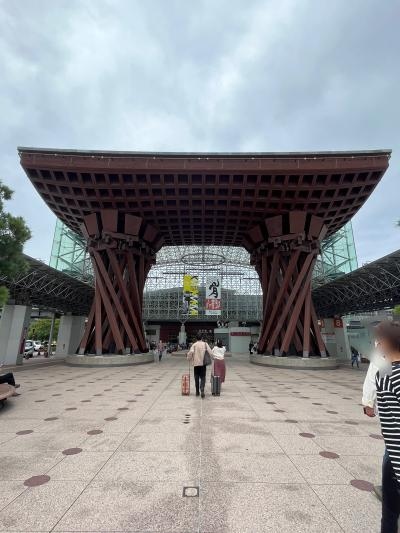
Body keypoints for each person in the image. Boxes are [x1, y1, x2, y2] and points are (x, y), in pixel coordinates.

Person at [374, 320, 400, 532]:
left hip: (396, 457)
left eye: (379, 341)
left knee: (390, 513)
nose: (377, 345)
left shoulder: (386, 375)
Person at [187, 333, 213, 398]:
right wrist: (213, 357)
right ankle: (202, 389)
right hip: (203, 364)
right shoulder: (205, 344)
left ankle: (197, 392)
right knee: (203, 377)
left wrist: (188, 358)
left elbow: (191, 352)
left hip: (196, 364)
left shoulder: (194, 345)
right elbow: (210, 352)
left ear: (196, 338)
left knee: (196, 377)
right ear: (202, 338)